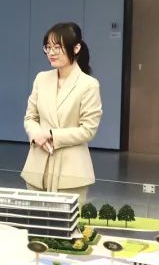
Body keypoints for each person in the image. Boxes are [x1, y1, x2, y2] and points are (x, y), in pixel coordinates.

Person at [21, 22, 102, 202]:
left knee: (67, 219)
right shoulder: (41, 79)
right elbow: (30, 117)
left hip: (71, 171)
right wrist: (36, 135)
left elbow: (88, 130)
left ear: (76, 48)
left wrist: (50, 134)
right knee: (33, 217)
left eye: (57, 47)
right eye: (48, 47)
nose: (51, 52)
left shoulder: (89, 85)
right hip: (37, 167)